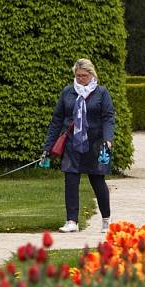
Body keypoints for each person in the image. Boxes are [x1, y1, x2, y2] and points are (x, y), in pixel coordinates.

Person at [42, 58, 115, 234]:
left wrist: (108, 138)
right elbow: (57, 120)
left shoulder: (101, 93)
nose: (81, 78)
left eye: (84, 76)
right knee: (71, 181)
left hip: (95, 144)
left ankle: (106, 220)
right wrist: (47, 146)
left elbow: (108, 117)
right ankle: (72, 221)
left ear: (92, 75)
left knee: (98, 181)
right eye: (78, 75)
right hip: (72, 144)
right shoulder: (67, 92)